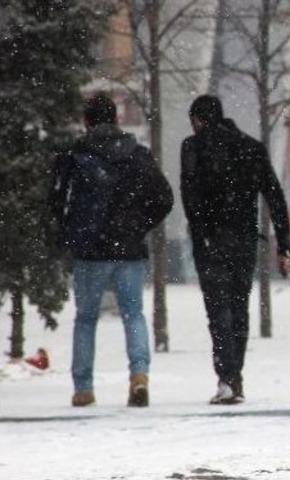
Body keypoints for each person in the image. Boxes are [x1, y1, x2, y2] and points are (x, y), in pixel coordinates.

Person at [50, 92, 173, 407]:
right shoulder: (137, 154)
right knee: (133, 313)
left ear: (86, 121)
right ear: (116, 119)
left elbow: (57, 201)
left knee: (85, 318)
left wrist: (69, 235)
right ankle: (140, 376)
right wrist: (139, 225)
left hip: (90, 250)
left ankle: (83, 387)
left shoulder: (75, 155)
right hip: (129, 249)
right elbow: (164, 197)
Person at [180, 95, 290, 405]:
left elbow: (189, 195)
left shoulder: (193, 148)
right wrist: (284, 244)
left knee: (218, 312)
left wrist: (201, 233)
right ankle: (235, 376)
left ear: (198, 120)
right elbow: (275, 196)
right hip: (244, 241)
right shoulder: (251, 148)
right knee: (238, 308)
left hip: (211, 242)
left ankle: (226, 377)